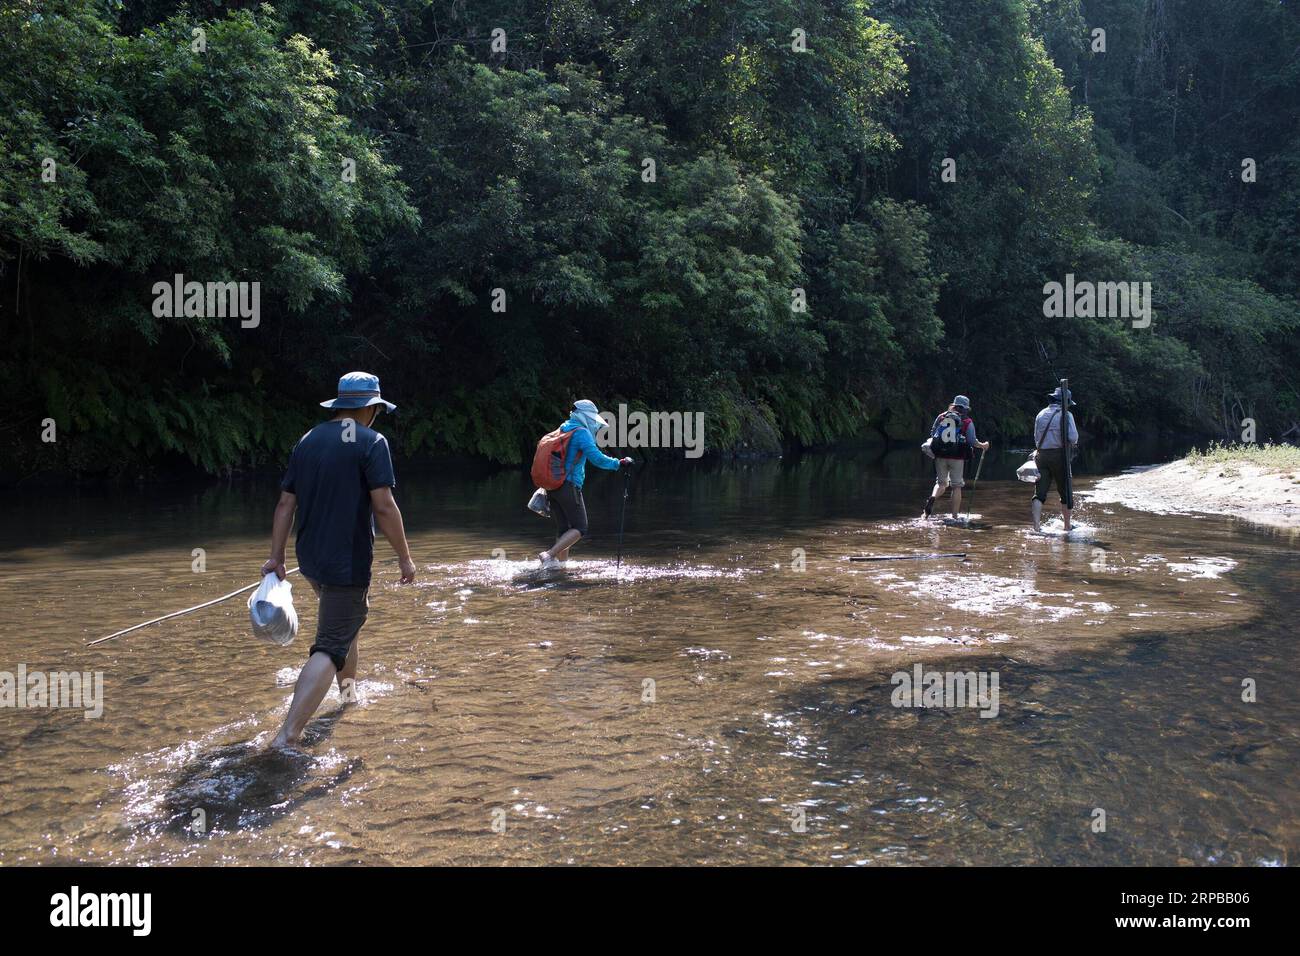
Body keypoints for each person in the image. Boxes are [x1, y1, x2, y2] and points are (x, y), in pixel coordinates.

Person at [263, 371, 416, 748]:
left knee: (346, 625)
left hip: (311, 559)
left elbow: (286, 503)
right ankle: (289, 734)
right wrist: (405, 558)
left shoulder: (308, 440)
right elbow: (384, 506)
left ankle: (348, 696)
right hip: (346, 562)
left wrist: (276, 557)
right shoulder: (371, 442)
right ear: (371, 408)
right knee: (331, 643)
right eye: (377, 409)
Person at [538, 399, 632, 568]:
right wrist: (619, 463)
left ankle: (560, 567)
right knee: (580, 527)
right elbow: (597, 458)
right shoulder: (581, 433)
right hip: (569, 486)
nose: (593, 422)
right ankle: (549, 555)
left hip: (553, 487)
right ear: (584, 416)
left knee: (564, 529)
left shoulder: (563, 429)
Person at [923, 395, 990, 519]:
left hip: (940, 455)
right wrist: (983, 445)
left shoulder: (941, 416)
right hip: (957, 457)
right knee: (956, 486)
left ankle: (933, 497)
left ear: (953, 405)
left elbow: (933, 434)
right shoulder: (967, 421)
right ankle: (954, 517)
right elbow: (971, 441)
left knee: (941, 483)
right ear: (965, 408)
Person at [1031, 385, 1079, 532]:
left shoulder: (1040, 414)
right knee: (1065, 493)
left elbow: (1036, 438)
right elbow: (1073, 438)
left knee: (1039, 494)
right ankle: (1066, 527)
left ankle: (1036, 527)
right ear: (1065, 402)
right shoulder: (1067, 415)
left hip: (1041, 455)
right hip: (1060, 456)